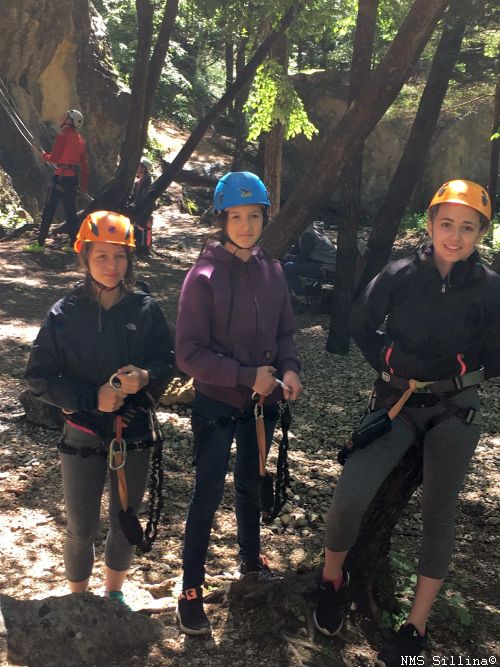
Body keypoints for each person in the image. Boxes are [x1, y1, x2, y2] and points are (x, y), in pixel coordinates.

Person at [312, 179, 500, 666]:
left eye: (467, 227)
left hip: (456, 406)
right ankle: (331, 580)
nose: (454, 236)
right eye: (446, 224)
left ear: (481, 232)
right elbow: (360, 321)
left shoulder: (490, 288)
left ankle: (415, 626)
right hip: (397, 400)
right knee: (350, 493)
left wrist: (467, 373)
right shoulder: (400, 273)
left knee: (439, 513)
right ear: (431, 224)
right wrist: (389, 364)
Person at [24, 210, 174, 606]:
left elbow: (168, 358)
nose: (112, 265)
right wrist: (92, 398)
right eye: (102, 256)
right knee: (80, 527)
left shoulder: (144, 308)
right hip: (83, 431)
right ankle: (78, 603)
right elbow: (38, 378)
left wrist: (146, 376)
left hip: (132, 430)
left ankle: (114, 595)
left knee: (125, 521)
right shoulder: (64, 313)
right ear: (85, 257)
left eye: (120, 256)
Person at [175, 171, 302, 635]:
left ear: (264, 217)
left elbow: (284, 332)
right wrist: (247, 376)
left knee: (250, 481)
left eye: (253, 216)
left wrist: (290, 369)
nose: (246, 226)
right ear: (222, 220)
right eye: (236, 217)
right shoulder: (203, 276)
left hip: (260, 403)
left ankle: (250, 561)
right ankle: (191, 589)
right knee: (207, 492)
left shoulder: (273, 271)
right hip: (216, 401)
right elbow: (188, 354)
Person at [24, 109, 89, 253]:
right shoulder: (81, 140)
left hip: (60, 178)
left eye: (66, 117)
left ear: (70, 121)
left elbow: (55, 157)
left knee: (49, 210)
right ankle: (73, 245)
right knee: (71, 213)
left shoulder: (63, 136)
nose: (63, 118)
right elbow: (85, 166)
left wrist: (44, 156)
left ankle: (40, 244)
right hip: (72, 180)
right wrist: (83, 186)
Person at [282, 220, 337, 296]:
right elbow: (295, 251)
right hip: (321, 264)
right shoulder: (305, 231)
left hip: (328, 268)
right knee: (284, 263)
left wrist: (287, 257)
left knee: (289, 267)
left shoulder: (308, 234)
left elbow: (301, 259)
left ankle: (301, 295)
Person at [130, 157, 153, 257]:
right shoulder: (139, 182)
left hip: (144, 210)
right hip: (139, 209)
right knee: (137, 229)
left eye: (139, 166)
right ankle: (138, 249)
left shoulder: (147, 181)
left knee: (142, 229)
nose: (137, 168)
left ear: (144, 168)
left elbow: (143, 198)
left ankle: (142, 250)